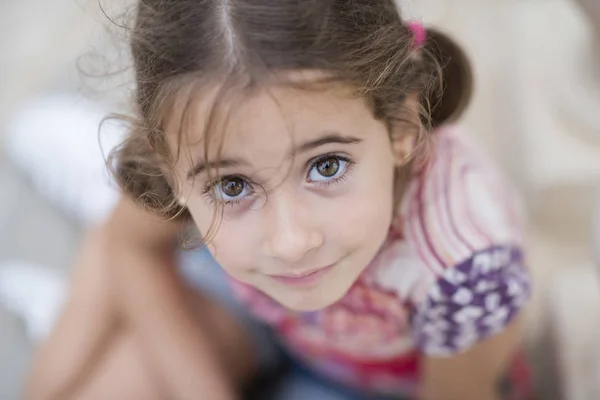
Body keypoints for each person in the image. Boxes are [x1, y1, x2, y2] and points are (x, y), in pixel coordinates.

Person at [24, 1, 533, 399]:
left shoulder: (465, 267)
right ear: (169, 167)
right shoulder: (187, 144)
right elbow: (131, 246)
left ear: (401, 125)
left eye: (326, 166)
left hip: (368, 388)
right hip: (248, 299)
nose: (291, 242)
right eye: (233, 186)